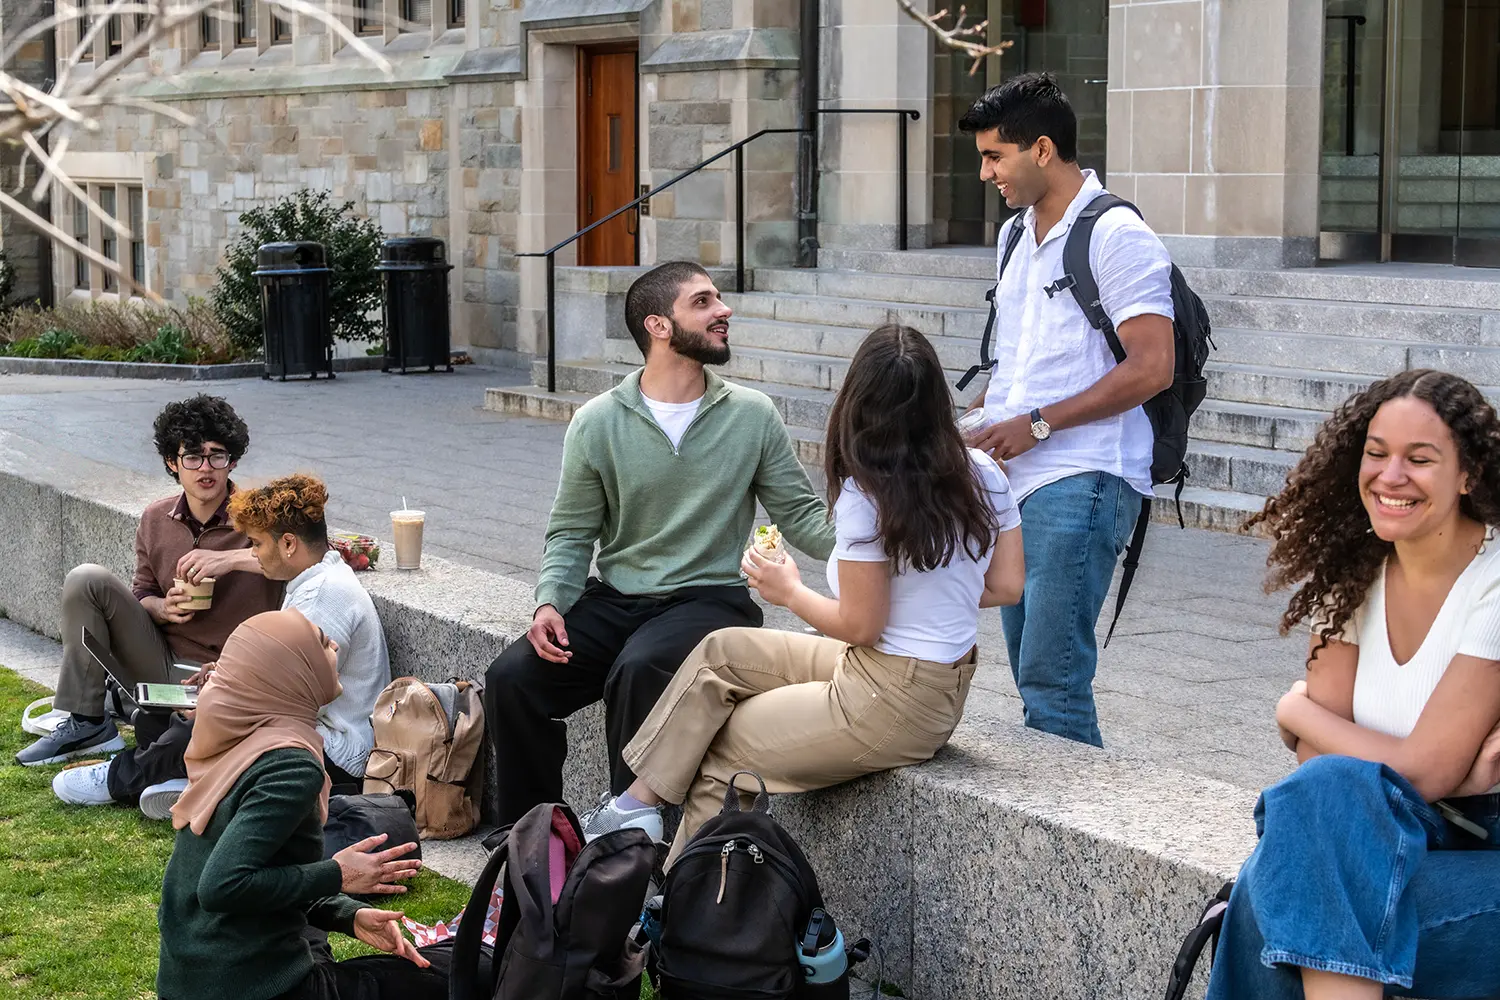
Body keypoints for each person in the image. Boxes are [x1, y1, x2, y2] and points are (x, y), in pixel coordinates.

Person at [581, 325, 1025, 861]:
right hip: (927, 681)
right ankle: (635, 805)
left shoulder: (870, 490)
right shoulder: (984, 473)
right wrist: (929, 593)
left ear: (858, 401)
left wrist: (787, 590)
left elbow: (862, 625)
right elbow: (1005, 586)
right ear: (936, 400)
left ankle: (676, 911)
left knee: (720, 752)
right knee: (723, 650)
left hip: (888, 698)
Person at [484, 260, 836, 831]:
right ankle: (532, 843)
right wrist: (549, 602)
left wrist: (884, 545)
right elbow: (572, 531)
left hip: (712, 601)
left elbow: (803, 518)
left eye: (718, 299)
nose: (724, 311)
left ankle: (630, 848)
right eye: (703, 302)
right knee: (514, 679)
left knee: (641, 667)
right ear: (658, 326)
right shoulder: (597, 422)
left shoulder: (752, 415)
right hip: (619, 598)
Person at [1205, 370, 1500, 1000]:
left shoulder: (1494, 582)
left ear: (1468, 474)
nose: (1391, 476)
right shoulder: (1354, 573)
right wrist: (1419, 769)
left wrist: (1296, 710)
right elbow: (1325, 769)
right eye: (1376, 453)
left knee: (1268, 898)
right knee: (1313, 820)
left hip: (1484, 849)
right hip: (1388, 832)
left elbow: (1427, 772)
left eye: (1420, 460)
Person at [958, 72, 1174, 748]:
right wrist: (973, 416)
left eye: (996, 156)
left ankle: (1079, 833)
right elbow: (1020, 363)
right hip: (1015, 480)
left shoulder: (1118, 235)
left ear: (1043, 149)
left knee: (1053, 685)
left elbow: (1152, 366)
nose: (986, 172)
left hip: (1082, 476)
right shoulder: (1016, 235)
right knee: (1032, 678)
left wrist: (1039, 423)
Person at [55, 474, 392, 817]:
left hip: (334, 751)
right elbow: (282, 676)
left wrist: (218, 698)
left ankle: (119, 779)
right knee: (163, 720)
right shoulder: (314, 581)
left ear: (289, 544)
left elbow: (289, 700)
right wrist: (221, 675)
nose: (254, 556)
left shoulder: (322, 596)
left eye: (257, 544)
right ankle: (199, 782)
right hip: (309, 734)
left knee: (207, 717)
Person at [155, 607, 439, 1000]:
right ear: (293, 672)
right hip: (254, 989)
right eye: (322, 643)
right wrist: (338, 874)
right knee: (450, 971)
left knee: (316, 937)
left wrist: (348, 913)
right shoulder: (290, 765)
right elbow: (222, 886)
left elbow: (266, 874)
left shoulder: (242, 734)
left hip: (191, 983)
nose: (336, 644)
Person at [17, 394, 282, 767]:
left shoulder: (260, 515)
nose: (205, 468)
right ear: (172, 463)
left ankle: (132, 707)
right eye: (192, 457)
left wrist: (229, 560)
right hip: (166, 664)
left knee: (171, 731)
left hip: (232, 673)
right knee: (86, 579)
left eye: (216, 455)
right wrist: (161, 607)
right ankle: (88, 721)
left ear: (232, 460)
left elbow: (310, 556)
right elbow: (142, 591)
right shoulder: (156, 518)